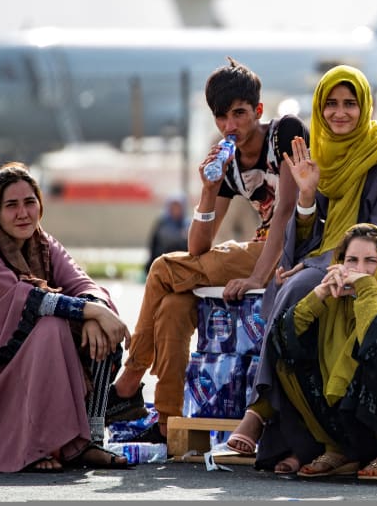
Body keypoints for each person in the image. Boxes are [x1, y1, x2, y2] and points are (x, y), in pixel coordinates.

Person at [226, 64, 377, 474]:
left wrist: (316, 263)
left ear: (365, 107)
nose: (339, 113)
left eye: (349, 104)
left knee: (296, 290)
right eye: (330, 104)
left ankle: (259, 411)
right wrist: (307, 196)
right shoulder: (320, 154)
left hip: (367, 266)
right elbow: (308, 230)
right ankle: (301, 442)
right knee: (288, 293)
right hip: (324, 261)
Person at [108, 58, 305, 440]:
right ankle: (168, 424)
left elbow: (285, 212)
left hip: (295, 248)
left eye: (239, 114)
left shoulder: (284, 132)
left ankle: (129, 381)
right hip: (262, 248)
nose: (231, 126)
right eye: (222, 117)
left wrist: (255, 276)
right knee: (172, 306)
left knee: (164, 270)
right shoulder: (227, 158)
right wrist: (209, 190)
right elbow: (198, 247)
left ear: (257, 111)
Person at [0, 163, 133, 472]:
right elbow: (26, 301)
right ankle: (39, 444)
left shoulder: (42, 244)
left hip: (12, 355)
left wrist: (95, 311)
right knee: (52, 326)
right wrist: (90, 311)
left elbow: (83, 284)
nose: (23, 213)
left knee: (97, 326)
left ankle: (89, 441)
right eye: (11, 205)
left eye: (30, 202)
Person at [267, 223, 377, 480]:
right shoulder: (334, 302)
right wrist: (318, 295)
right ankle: (339, 449)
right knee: (287, 358)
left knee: (374, 354)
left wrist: (366, 289)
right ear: (339, 261)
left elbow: (373, 340)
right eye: (351, 260)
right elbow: (280, 338)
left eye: (371, 261)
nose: (360, 270)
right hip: (356, 425)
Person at [144, 193, 189, 274]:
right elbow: (154, 243)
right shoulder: (162, 223)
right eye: (173, 206)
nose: (175, 209)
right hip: (161, 261)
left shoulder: (187, 224)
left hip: (180, 263)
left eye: (178, 206)